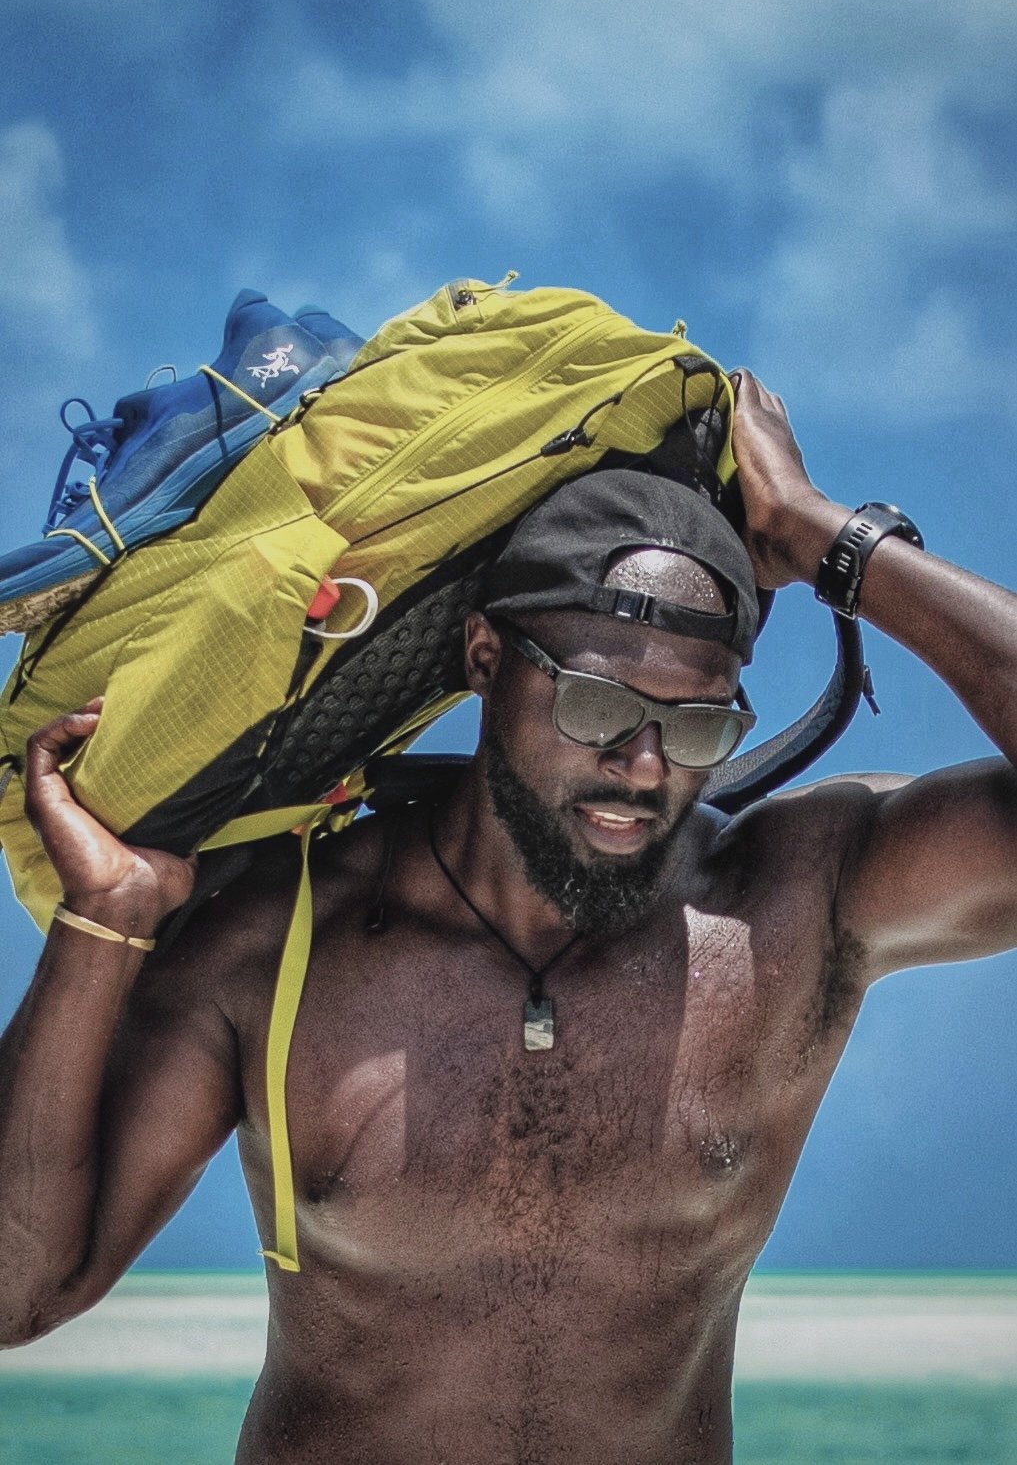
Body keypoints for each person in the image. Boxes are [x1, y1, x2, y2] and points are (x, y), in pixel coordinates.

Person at [1, 372, 1014, 1465]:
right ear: (487, 659)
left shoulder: (793, 904)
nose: (642, 765)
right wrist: (104, 925)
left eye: (696, 722)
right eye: (596, 705)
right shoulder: (278, 938)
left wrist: (824, 536)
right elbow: (20, 1294)